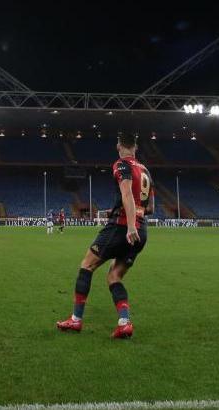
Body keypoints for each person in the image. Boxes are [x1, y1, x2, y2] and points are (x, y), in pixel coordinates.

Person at [56, 134, 154, 339]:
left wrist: (128, 225)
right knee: (114, 276)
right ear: (135, 147)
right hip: (142, 230)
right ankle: (124, 323)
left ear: (118, 145)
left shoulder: (121, 165)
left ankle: (75, 320)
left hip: (121, 228)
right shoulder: (145, 170)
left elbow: (127, 193)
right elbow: (150, 207)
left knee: (87, 265)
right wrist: (131, 218)